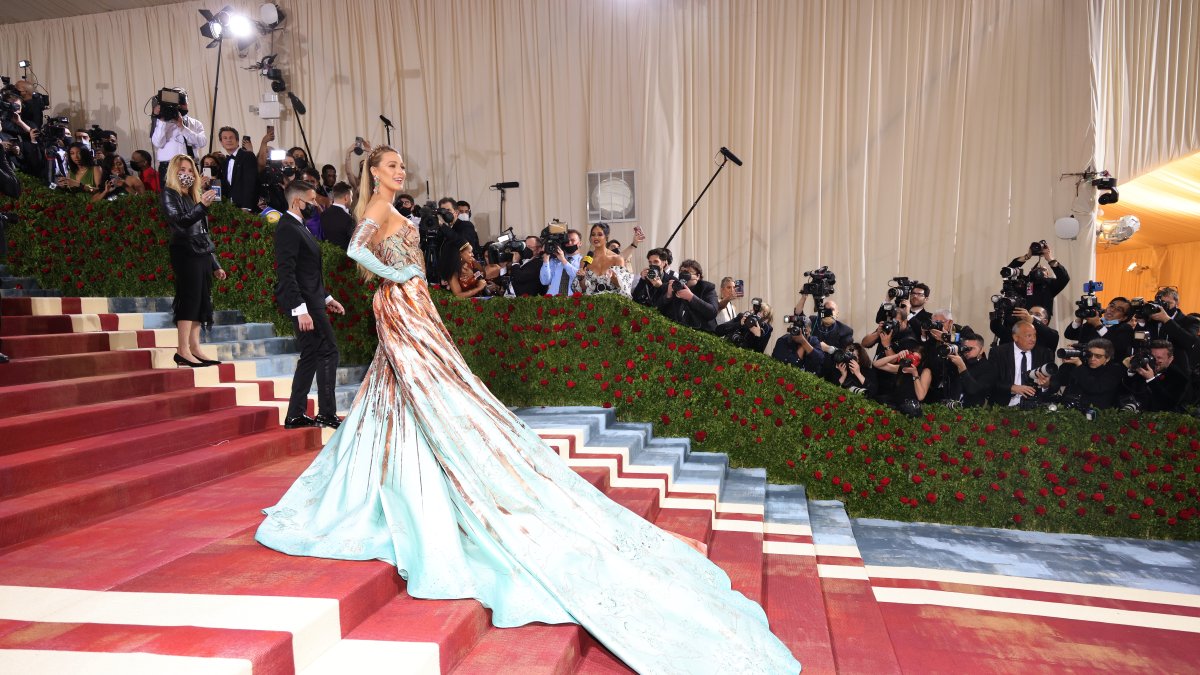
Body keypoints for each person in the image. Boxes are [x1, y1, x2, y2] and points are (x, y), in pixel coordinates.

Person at [255, 145, 800, 674]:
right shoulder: (374, 209)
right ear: (373, 172)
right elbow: (356, 252)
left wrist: (409, 281)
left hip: (416, 305)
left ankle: (388, 475)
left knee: (404, 391)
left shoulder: (396, 209)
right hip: (400, 307)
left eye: (401, 165)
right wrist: (399, 278)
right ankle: (399, 484)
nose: (400, 171)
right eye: (391, 166)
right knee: (421, 388)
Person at [273, 179, 344, 430]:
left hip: (313, 300)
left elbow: (307, 271)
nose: (315, 204)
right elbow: (287, 272)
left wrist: (327, 297)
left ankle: (296, 414)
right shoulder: (288, 228)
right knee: (328, 350)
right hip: (305, 304)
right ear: (296, 201)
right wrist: (300, 309)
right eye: (311, 200)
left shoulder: (299, 226)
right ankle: (326, 413)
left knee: (312, 353)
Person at [160, 154, 225, 367]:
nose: (186, 174)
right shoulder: (170, 193)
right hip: (184, 250)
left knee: (200, 299)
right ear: (173, 172)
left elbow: (203, 232)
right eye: (182, 170)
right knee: (189, 297)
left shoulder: (194, 196)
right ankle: (183, 349)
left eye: (190, 170)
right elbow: (180, 222)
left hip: (201, 252)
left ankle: (195, 347)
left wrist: (215, 263)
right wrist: (202, 207)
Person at [989, 320, 1054, 407]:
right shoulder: (998, 353)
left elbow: (1055, 383)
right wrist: (1012, 388)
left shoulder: (1044, 353)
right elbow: (990, 381)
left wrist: (1046, 385)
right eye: (1028, 336)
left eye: (1035, 335)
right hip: (1004, 406)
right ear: (1015, 337)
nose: (1033, 339)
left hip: (1036, 407)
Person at [1047, 338, 1125, 410]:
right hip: (1069, 411)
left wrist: (1079, 365)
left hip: (1096, 415)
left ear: (1107, 358)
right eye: (1089, 355)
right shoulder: (1081, 364)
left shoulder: (1114, 369)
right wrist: (1069, 360)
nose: (1092, 359)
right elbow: (1060, 379)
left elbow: (1095, 387)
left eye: (1098, 356)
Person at [150, 96, 207, 182]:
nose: (179, 106)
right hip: (168, 167)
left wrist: (182, 127)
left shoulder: (195, 123)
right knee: (170, 194)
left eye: (182, 102)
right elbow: (158, 143)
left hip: (191, 167)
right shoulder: (161, 123)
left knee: (192, 194)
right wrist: (162, 120)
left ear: (187, 103)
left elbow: (202, 142)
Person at [658, 259, 719, 332]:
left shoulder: (707, 288)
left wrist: (691, 297)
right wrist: (668, 295)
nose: (683, 275)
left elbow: (712, 312)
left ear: (697, 276)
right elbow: (657, 308)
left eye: (687, 273)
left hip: (702, 333)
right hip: (677, 333)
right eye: (681, 272)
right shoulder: (674, 286)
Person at [576, 222, 634, 296]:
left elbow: (622, 287)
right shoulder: (585, 261)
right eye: (593, 234)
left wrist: (613, 277)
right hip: (591, 304)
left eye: (600, 234)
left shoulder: (617, 259)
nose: (596, 237)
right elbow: (583, 289)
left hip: (612, 303)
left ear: (606, 237)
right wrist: (581, 279)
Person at [217, 126, 259, 210]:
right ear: (221, 142)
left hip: (246, 208)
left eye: (231, 137)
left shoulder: (247, 156)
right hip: (231, 208)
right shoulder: (225, 162)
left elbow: (250, 183)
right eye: (225, 138)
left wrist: (246, 207)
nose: (228, 140)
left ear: (237, 141)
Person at [538, 229, 583, 296]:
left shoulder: (583, 261)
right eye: (567, 240)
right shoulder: (555, 260)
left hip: (573, 301)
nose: (569, 243)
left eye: (573, 240)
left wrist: (563, 260)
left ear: (580, 243)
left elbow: (579, 278)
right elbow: (545, 281)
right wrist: (546, 259)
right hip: (552, 301)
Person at [320, 181, 356, 250]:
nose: (352, 200)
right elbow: (353, 242)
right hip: (346, 258)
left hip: (329, 255)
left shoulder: (323, 214)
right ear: (346, 198)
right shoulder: (348, 219)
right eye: (351, 197)